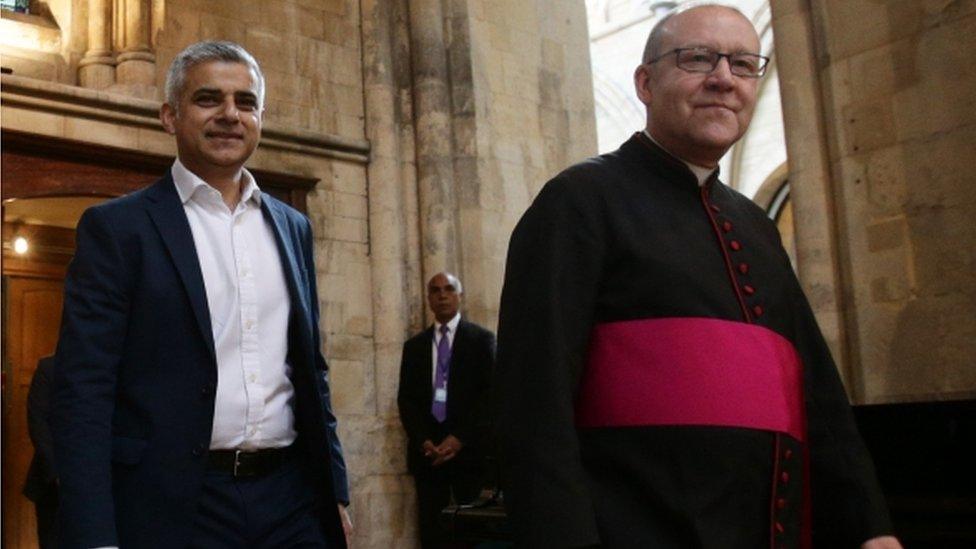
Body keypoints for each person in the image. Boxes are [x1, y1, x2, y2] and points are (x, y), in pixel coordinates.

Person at [494, 4, 902, 549]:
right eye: (698, 58)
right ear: (645, 82)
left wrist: (869, 526)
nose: (723, 79)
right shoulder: (579, 201)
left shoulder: (755, 224)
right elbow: (533, 404)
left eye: (743, 64)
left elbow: (817, 394)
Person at [51, 41, 352, 549]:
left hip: (290, 499)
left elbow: (309, 370)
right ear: (170, 116)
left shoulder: (292, 226)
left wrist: (335, 490)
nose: (230, 115)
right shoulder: (119, 229)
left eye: (246, 102)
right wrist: (94, 535)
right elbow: (84, 392)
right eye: (209, 99)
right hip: (177, 506)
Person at [398, 272, 495, 548]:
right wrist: (424, 441)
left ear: (459, 296)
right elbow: (407, 400)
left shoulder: (481, 340)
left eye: (449, 289)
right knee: (433, 533)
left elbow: (489, 397)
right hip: (428, 457)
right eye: (436, 290)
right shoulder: (414, 347)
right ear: (428, 299)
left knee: (472, 533)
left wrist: (459, 438)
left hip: (469, 454)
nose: (442, 295)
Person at [23, 356, 59, 549]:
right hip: (50, 482)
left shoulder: (104, 368)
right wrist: (56, 473)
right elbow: (37, 422)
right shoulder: (49, 368)